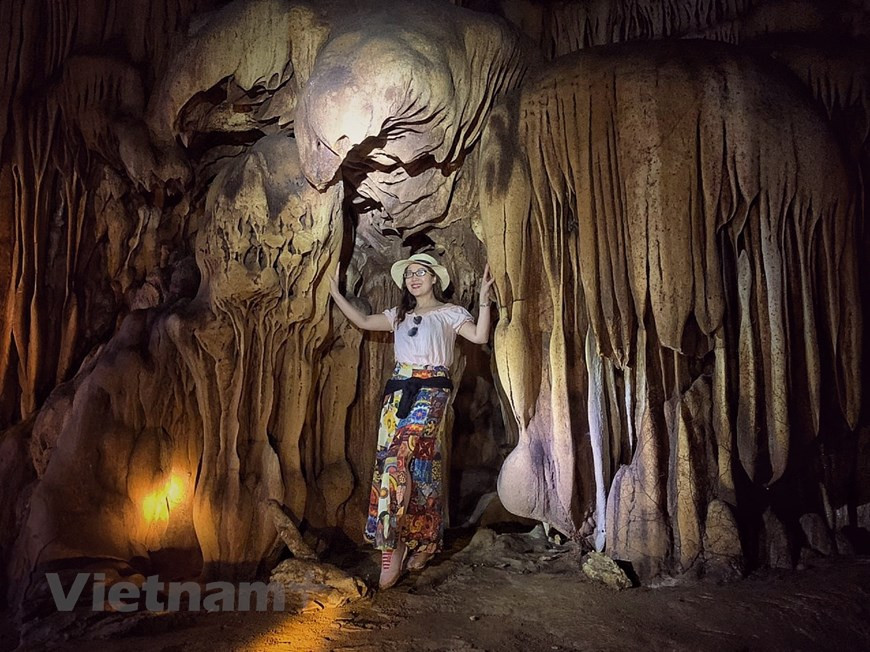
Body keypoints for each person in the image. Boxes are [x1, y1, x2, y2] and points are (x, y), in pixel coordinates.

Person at [329, 253, 495, 589]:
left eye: (421, 272)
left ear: (435, 278)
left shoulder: (450, 313)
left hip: (431, 389)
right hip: (397, 394)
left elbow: (479, 336)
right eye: (409, 275)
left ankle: (392, 546)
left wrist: (483, 302)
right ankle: (425, 542)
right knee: (419, 471)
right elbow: (363, 321)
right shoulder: (399, 315)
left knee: (396, 461)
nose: (414, 278)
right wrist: (335, 294)